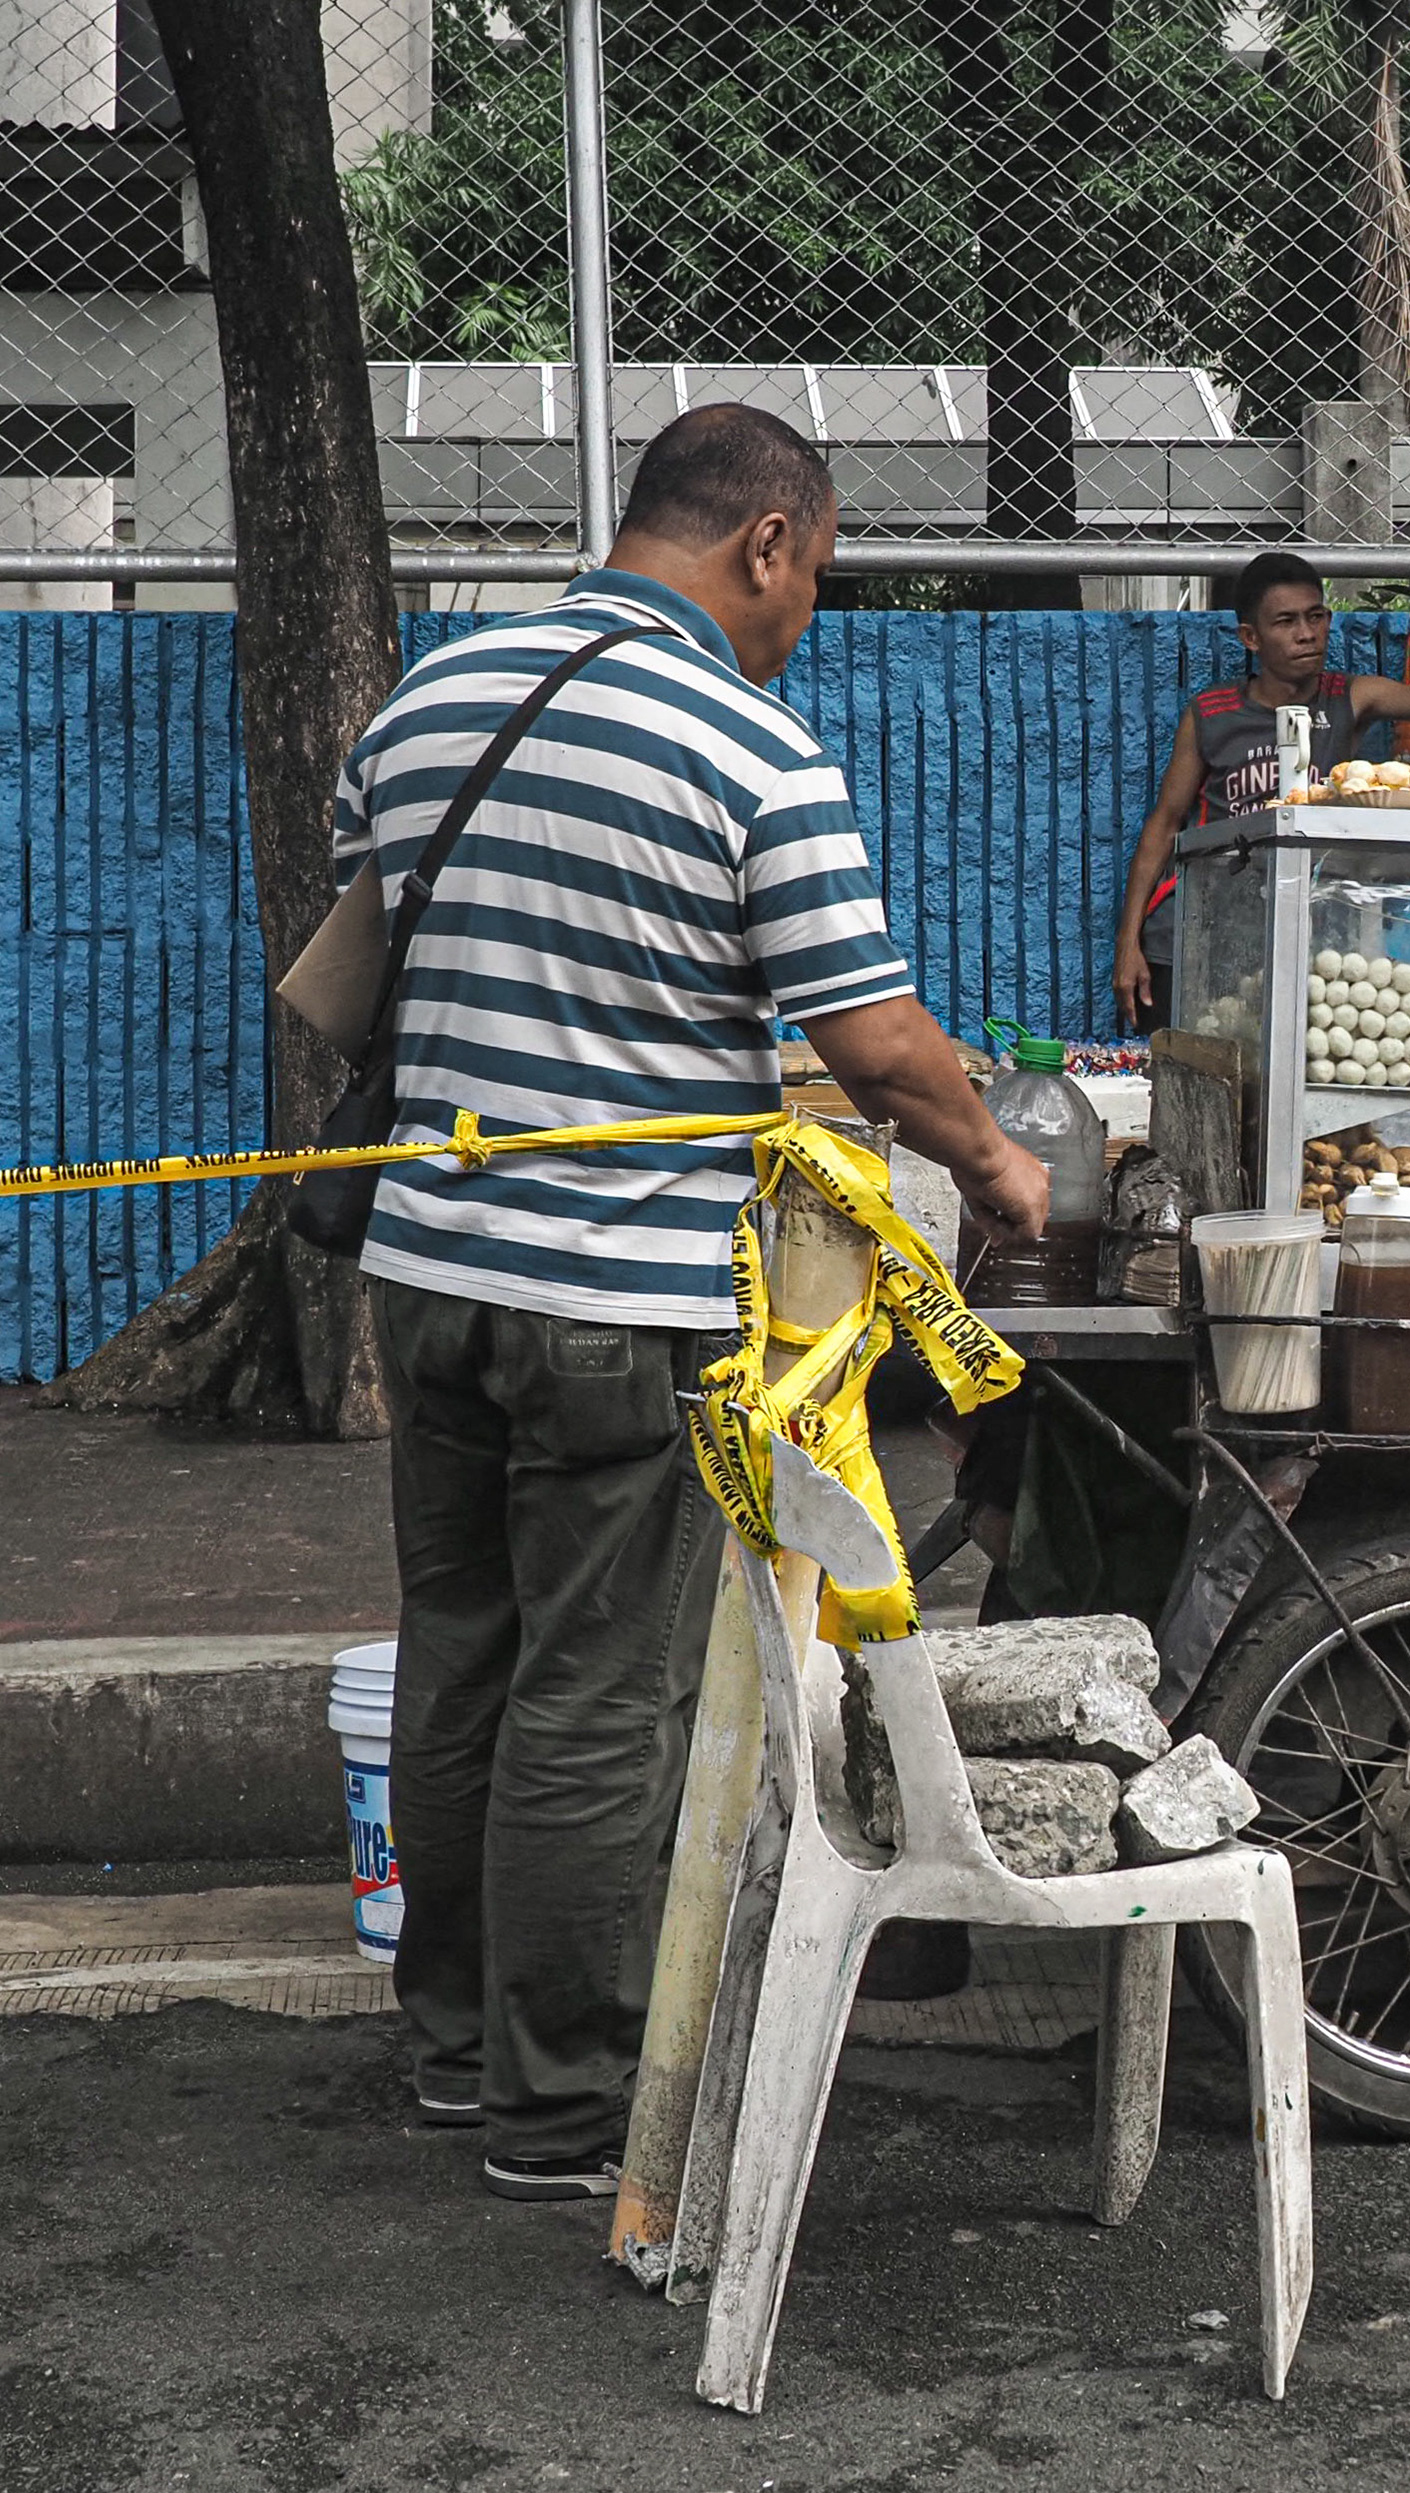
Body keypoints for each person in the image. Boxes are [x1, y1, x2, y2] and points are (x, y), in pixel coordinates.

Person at [332, 402, 1048, 2202]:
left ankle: (450, 2056)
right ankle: (564, 2110)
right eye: (817, 577)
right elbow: (874, 1041)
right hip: (612, 1305)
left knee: (463, 1659)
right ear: (768, 544)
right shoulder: (751, 750)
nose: (808, 614)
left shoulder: (422, 706)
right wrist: (1001, 1165)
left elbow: (356, 956)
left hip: (424, 1278)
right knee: (597, 1695)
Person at [1113, 550, 1410, 1028]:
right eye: (1286, 621)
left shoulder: (1347, 697)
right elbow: (1165, 825)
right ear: (1250, 638)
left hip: (1301, 929)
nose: (1306, 633)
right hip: (1197, 931)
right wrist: (1128, 944)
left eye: (1315, 616)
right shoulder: (1211, 713)